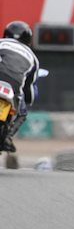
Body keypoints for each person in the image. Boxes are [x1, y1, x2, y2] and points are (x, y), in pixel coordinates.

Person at [0, 21, 40, 152]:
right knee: (22, 113)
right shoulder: (33, 59)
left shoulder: (1, 43)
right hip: (12, 90)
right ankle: (8, 138)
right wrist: (29, 99)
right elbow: (29, 94)